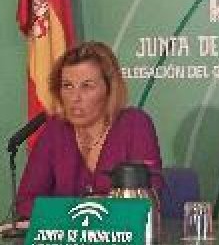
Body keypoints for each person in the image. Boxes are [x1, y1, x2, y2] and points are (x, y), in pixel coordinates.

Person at [15, 41, 162, 219]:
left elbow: (146, 201)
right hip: (67, 243)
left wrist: (64, 210)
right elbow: (25, 202)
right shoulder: (55, 130)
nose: (75, 98)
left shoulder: (135, 125)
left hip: (123, 242)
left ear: (109, 90)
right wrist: (83, 210)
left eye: (87, 86)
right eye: (67, 86)